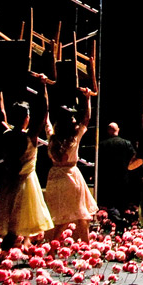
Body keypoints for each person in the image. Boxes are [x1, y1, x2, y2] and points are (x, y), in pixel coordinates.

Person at [0, 73, 54, 248]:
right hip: (25, 184)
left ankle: (14, 248)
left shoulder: (6, 134)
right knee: (17, 223)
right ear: (26, 119)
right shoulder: (30, 136)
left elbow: (1, 115)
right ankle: (8, 248)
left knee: (12, 221)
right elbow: (43, 112)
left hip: (8, 183)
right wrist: (43, 86)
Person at [43, 85, 98, 243]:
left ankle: (54, 245)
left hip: (54, 178)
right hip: (71, 177)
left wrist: (43, 90)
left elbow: (45, 117)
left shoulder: (52, 137)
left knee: (64, 217)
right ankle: (84, 244)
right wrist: (87, 99)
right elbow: (86, 119)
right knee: (80, 215)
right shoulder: (74, 138)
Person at [98, 122, 137, 222]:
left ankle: (113, 221)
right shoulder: (126, 143)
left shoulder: (102, 144)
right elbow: (134, 158)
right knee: (122, 201)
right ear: (118, 130)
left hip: (107, 177)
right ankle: (122, 221)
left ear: (108, 131)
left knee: (110, 202)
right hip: (123, 176)